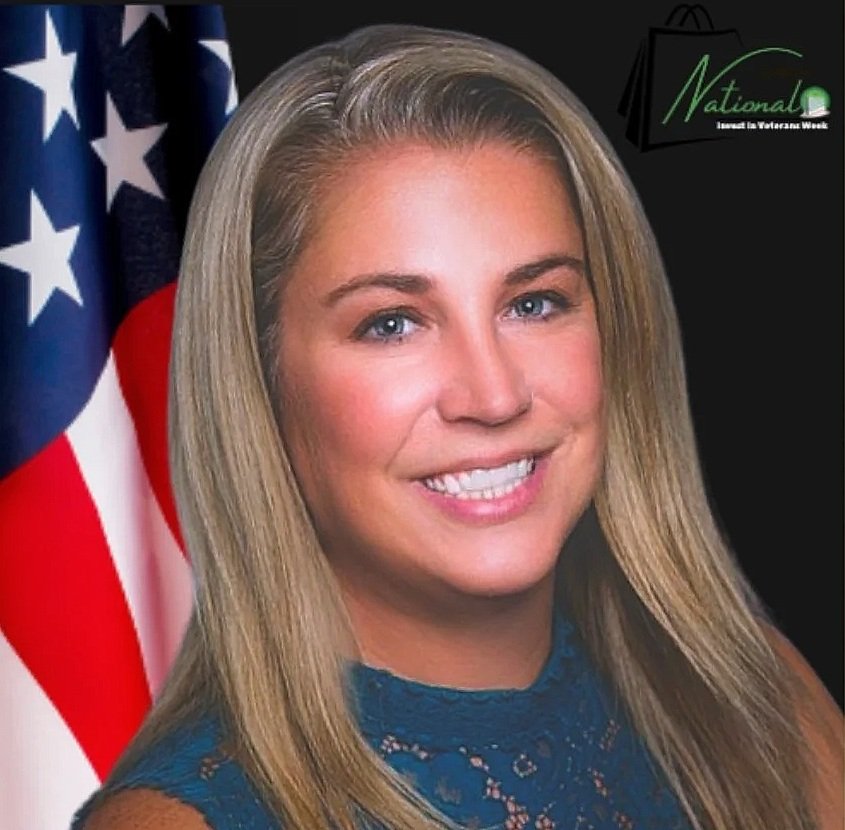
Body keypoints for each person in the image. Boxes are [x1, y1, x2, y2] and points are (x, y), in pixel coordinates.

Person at [73, 23, 842, 830]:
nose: (494, 394)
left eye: (534, 303)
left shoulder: (757, 703)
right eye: (393, 324)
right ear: (260, 383)